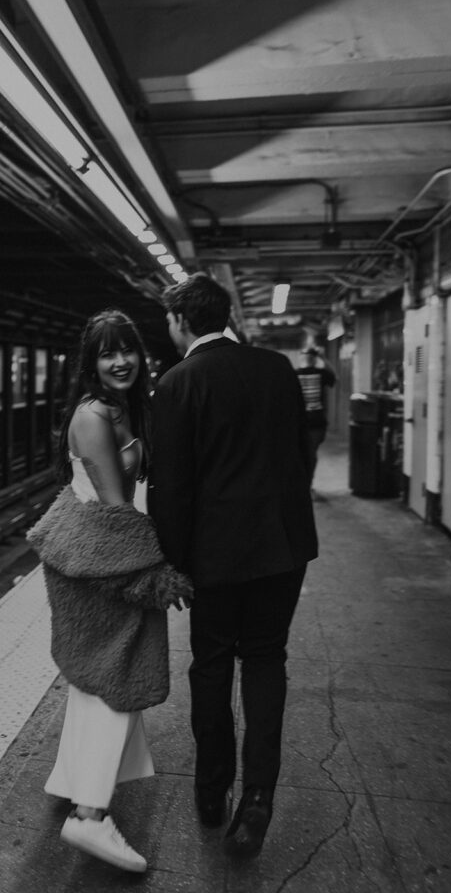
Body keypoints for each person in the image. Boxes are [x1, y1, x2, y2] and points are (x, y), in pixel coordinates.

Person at [148, 274, 318, 858]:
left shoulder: (176, 384)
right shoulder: (276, 368)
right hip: (283, 549)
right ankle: (259, 799)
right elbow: (304, 448)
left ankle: (210, 791)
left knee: (213, 664)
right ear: (223, 315)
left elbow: (170, 490)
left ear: (180, 321)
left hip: (215, 558)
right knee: (268, 660)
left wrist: (174, 562)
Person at [27, 309, 192, 873]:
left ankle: (72, 781)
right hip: (102, 563)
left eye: (127, 349)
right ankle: (91, 817)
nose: (120, 360)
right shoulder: (95, 417)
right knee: (118, 676)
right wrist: (152, 577)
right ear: (90, 363)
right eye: (106, 352)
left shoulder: (124, 409)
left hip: (106, 559)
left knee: (99, 675)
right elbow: (117, 513)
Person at [294, 347, 337, 488]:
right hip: (315, 422)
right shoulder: (321, 373)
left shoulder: (294, 374)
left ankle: (305, 483)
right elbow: (334, 377)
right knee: (310, 453)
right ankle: (307, 482)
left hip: (301, 422)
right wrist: (324, 358)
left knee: (304, 454)